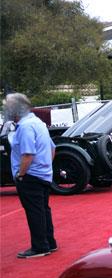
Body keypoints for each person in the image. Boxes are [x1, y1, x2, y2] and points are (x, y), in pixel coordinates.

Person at [4, 93, 57, 258]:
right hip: (43, 174)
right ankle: (49, 242)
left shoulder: (25, 127)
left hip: (31, 176)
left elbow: (28, 154)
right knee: (43, 210)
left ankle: (40, 247)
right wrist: (46, 166)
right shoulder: (38, 123)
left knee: (35, 211)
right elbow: (52, 148)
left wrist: (21, 175)